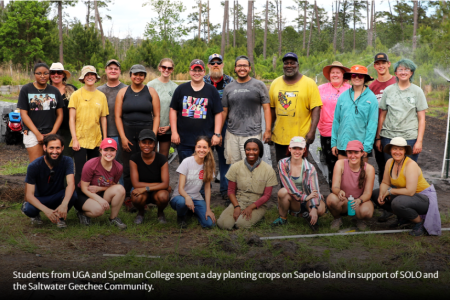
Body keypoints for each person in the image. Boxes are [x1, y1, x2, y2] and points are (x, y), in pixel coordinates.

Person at [371, 137, 441, 236]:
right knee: (376, 194)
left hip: (424, 198)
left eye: (401, 149)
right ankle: (404, 218)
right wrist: (382, 195)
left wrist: (390, 191)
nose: (397, 152)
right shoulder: (389, 162)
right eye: (395, 148)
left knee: (398, 202)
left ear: (405, 151)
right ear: (390, 150)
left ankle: (419, 222)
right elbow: (385, 182)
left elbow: (410, 191)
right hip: (408, 196)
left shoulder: (410, 165)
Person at [115, 64, 161, 199]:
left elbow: (157, 115)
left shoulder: (151, 91)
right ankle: (129, 197)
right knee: (128, 166)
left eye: (141, 74)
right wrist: (122, 137)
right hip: (127, 132)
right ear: (130, 75)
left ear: (144, 77)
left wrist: (153, 135)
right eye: (135, 74)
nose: (138, 77)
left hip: (146, 132)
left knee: (146, 164)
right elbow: (118, 116)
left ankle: (147, 196)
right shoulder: (123, 92)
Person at [269, 52, 322, 163]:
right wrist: (269, 130)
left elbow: (316, 108)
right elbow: (272, 109)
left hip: (301, 137)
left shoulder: (309, 83)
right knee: (282, 168)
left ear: (298, 65)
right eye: (286, 63)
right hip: (280, 136)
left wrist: (312, 131)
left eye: (292, 63)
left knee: (300, 169)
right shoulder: (275, 83)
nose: (289, 65)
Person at [217, 138, 278, 230]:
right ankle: (241, 216)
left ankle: (259, 217)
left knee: (241, 225)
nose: (251, 152)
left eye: (255, 149)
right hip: (239, 201)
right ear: (245, 150)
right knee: (223, 224)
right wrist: (236, 206)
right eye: (248, 149)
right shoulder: (236, 167)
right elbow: (230, 191)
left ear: (260, 151)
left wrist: (251, 207)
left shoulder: (268, 170)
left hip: (257, 204)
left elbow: (266, 195)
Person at [170, 59, 223, 162]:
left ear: (204, 72)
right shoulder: (181, 89)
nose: (197, 73)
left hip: (205, 142)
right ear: (190, 71)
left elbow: (218, 113)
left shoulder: (212, 90)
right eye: (194, 70)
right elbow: (173, 110)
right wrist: (174, 132)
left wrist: (217, 134)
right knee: (186, 172)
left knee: (204, 173)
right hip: (184, 140)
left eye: (200, 70)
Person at [222, 55, 271, 164]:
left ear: (249, 68)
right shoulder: (229, 87)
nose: (242, 68)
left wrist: (268, 130)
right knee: (234, 167)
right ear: (235, 68)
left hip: (252, 134)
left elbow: (266, 108)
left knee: (252, 166)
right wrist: (219, 132)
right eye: (239, 66)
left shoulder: (259, 85)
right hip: (232, 134)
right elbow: (224, 111)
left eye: (245, 65)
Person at [21, 134, 77, 228]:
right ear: (44, 147)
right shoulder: (34, 166)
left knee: (72, 195)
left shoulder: (67, 161)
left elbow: (71, 183)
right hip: (40, 198)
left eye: (58, 148)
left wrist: (64, 204)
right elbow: (29, 195)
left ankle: (60, 217)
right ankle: (36, 216)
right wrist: (46, 210)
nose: (54, 151)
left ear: (62, 148)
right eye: (51, 148)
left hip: (57, 195)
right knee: (29, 209)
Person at [377, 59, 427, 163]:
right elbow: (382, 115)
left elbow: (422, 119)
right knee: (390, 169)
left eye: (406, 69)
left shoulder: (417, 91)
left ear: (411, 73)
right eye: (400, 69)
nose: (403, 72)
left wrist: (419, 141)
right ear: (395, 73)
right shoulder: (388, 90)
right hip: (388, 137)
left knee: (408, 170)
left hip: (409, 138)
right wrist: (378, 138)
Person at [271, 136, 326, 231]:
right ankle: (283, 218)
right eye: (294, 148)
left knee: (319, 209)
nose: (297, 151)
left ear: (304, 150)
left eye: (300, 148)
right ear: (289, 148)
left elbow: (314, 189)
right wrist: (304, 197)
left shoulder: (310, 167)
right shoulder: (282, 163)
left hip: (308, 199)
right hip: (294, 199)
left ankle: (311, 217)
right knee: (282, 192)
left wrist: (313, 207)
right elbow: (288, 186)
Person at [68, 65, 108, 187]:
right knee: (80, 170)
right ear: (82, 78)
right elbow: (71, 118)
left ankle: (90, 198)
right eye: (87, 75)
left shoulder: (101, 96)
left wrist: (104, 141)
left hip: (95, 139)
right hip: (79, 139)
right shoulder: (76, 95)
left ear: (96, 78)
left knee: (93, 171)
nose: (90, 77)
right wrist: (74, 139)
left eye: (92, 75)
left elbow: (103, 118)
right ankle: (77, 198)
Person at [369, 53, 397, 222]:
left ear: (388, 64)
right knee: (382, 168)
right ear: (375, 66)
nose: (381, 66)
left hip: (395, 133)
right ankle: (386, 205)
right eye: (377, 63)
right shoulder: (372, 86)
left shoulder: (396, 82)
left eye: (383, 63)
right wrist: (377, 137)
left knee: (395, 168)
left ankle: (398, 203)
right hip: (378, 134)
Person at [74, 138, 127, 229]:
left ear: (116, 151)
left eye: (112, 150)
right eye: (106, 150)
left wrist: (100, 189)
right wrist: (100, 200)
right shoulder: (91, 164)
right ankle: (82, 213)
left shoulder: (118, 167)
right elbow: (84, 188)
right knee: (99, 210)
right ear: (100, 150)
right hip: (84, 194)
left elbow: (113, 185)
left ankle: (113, 219)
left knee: (120, 189)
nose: (109, 153)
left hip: (99, 192)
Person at [18, 62, 64, 162]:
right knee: (37, 164)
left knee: (52, 164)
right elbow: (24, 114)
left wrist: (53, 132)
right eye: (39, 73)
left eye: (46, 73)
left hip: (51, 132)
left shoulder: (54, 91)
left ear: (49, 74)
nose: (42, 76)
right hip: (32, 133)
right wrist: (37, 134)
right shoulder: (26, 89)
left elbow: (60, 114)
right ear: (34, 74)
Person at [331, 65, 378, 162]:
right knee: (343, 174)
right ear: (350, 77)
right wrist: (334, 143)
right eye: (353, 75)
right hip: (343, 144)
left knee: (360, 175)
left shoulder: (371, 98)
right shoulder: (343, 96)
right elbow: (336, 121)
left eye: (360, 76)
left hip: (361, 146)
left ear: (365, 78)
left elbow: (372, 124)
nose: (357, 78)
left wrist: (367, 147)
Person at [203, 53, 234, 201]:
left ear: (222, 65)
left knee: (225, 158)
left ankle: (225, 190)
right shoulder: (202, 80)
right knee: (205, 156)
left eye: (218, 63)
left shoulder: (230, 81)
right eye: (212, 63)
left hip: (225, 124)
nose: (216, 65)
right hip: (206, 123)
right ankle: (203, 190)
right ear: (208, 65)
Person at [327, 140, 375, 230]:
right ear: (346, 153)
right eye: (350, 152)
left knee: (367, 212)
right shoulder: (340, 164)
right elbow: (335, 187)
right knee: (331, 199)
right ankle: (337, 218)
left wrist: (359, 201)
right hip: (344, 201)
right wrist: (339, 191)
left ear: (362, 153)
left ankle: (359, 219)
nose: (353, 156)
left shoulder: (369, 169)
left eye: (356, 152)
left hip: (359, 202)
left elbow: (368, 194)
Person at [317, 61, 351, 189]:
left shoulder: (350, 89)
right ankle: (334, 192)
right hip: (327, 132)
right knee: (331, 163)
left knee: (347, 164)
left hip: (346, 132)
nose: (335, 74)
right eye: (333, 72)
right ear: (329, 75)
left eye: (338, 72)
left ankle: (348, 192)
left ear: (343, 75)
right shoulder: (321, 89)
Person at [170, 136, 216, 228]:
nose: (201, 150)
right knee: (182, 202)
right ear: (195, 148)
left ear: (209, 149)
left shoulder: (209, 165)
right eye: (199, 147)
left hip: (196, 197)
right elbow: (180, 188)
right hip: (181, 196)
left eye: (204, 147)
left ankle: (193, 212)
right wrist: (187, 197)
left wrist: (208, 209)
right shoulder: (186, 162)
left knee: (210, 224)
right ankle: (181, 216)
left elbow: (207, 188)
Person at [130, 129, 170, 225]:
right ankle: (141, 213)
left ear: (155, 144)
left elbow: (165, 184)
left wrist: (145, 188)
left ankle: (160, 213)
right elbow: (135, 184)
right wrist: (161, 185)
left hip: (157, 191)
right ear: (139, 143)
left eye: (150, 143)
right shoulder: (134, 158)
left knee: (164, 196)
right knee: (136, 197)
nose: (147, 145)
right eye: (144, 142)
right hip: (144, 191)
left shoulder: (161, 158)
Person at [97, 59, 127, 162]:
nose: (113, 71)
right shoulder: (99, 91)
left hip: (120, 135)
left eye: (116, 69)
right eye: (110, 68)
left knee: (120, 166)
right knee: (103, 166)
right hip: (101, 134)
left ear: (119, 71)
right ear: (106, 70)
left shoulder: (126, 89)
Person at [147, 58, 178, 158]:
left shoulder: (175, 88)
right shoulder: (150, 85)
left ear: (172, 70)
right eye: (164, 67)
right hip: (152, 127)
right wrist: (155, 125)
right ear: (159, 68)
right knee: (151, 155)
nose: (166, 70)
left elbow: (177, 109)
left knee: (163, 157)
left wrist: (169, 126)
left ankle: (162, 174)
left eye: (169, 68)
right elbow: (147, 106)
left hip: (167, 128)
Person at [49, 62, 77, 157]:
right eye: (53, 72)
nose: (56, 74)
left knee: (67, 156)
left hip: (69, 129)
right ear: (49, 75)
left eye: (59, 72)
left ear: (63, 75)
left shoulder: (72, 90)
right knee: (52, 156)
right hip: (50, 129)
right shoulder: (45, 90)